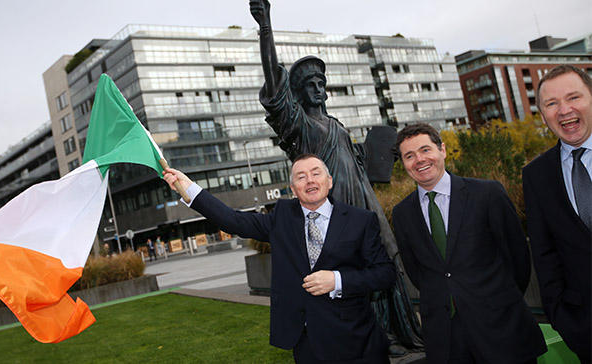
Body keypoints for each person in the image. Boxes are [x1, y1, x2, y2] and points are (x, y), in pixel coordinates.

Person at [249, 0, 422, 350]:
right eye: (309, 84)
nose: (316, 87)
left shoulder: (336, 125)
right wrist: (265, 26)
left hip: (362, 202)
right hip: (334, 206)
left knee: (382, 261)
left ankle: (398, 330)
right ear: (297, 94)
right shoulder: (299, 126)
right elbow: (274, 82)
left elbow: (358, 167)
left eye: (320, 81)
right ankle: (376, 336)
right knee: (351, 268)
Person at [164, 154, 396, 363]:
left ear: (330, 181)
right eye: (301, 177)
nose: (310, 180)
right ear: (294, 189)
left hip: (357, 343)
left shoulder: (361, 220)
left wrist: (337, 280)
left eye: (316, 173)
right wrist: (189, 188)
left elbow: (385, 273)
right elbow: (233, 220)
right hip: (308, 346)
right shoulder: (282, 217)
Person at [392, 123, 546, 364]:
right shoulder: (402, 213)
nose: (419, 160)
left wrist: (497, 298)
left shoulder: (487, 194)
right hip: (446, 337)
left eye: (425, 150)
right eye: (409, 156)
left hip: (500, 326)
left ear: (442, 149)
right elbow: (416, 272)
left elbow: (517, 258)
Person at [522, 64, 592, 363]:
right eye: (552, 103)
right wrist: (565, 321)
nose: (564, 110)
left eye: (573, 97)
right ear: (542, 113)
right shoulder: (536, 175)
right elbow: (544, 255)